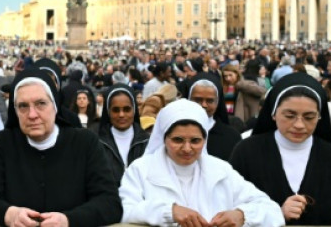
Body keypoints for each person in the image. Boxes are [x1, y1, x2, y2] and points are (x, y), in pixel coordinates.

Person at [0, 68, 122, 227]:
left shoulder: (85, 143)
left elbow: (109, 203)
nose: (32, 114)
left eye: (41, 103)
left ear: (55, 105)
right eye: (23, 106)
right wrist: (8, 213)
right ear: (14, 110)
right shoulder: (1, 144)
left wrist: (69, 220)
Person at [230, 73, 331, 226]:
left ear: (319, 117)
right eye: (290, 115)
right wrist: (275, 214)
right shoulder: (247, 153)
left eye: (309, 117)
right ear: (273, 113)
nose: (299, 125)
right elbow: (228, 209)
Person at [120, 100, 283, 227]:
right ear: (163, 138)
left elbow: (272, 210)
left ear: (205, 140)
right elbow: (124, 210)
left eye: (195, 141)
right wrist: (169, 211)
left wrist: (242, 215)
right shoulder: (140, 170)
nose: (187, 148)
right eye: (178, 140)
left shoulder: (221, 171)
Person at [99, 84, 149, 186]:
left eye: (127, 109)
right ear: (108, 112)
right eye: (116, 110)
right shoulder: (96, 143)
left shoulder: (147, 142)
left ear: (134, 110)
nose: (121, 114)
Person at [186, 73, 242, 161]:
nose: (204, 105)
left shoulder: (231, 136)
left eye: (210, 101)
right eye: (198, 100)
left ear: (218, 102)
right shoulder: (173, 132)